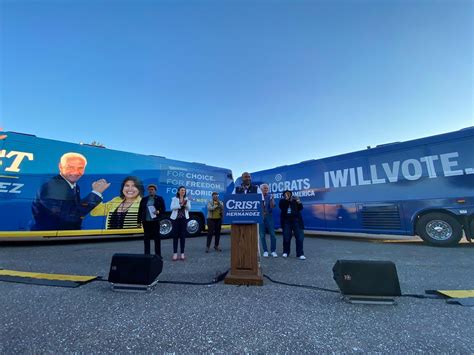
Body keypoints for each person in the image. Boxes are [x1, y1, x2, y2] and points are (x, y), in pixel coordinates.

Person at [31, 152, 110, 231]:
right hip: (50, 238)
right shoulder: (54, 186)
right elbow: (71, 216)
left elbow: (76, 208)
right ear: (60, 167)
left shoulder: (74, 186)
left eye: (80, 168)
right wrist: (96, 193)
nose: (75, 172)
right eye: (70, 167)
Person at [137, 184, 166, 256]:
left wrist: (158, 212)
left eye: (152, 189)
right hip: (146, 221)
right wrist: (138, 221)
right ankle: (147, 254)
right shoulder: (144, 199)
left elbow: (163, 209)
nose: (150, 191)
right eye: (149, 190)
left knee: (157, 239)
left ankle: (158, 255)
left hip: (155, 221)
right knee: (146, 239)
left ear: (155, 190)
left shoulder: (159, 198)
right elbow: (140, 210)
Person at [279, 190, 306, 260]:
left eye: (288, 194)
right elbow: (281, 207)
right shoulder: (282, 201)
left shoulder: (295, 200)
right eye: (286, 194)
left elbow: (301, 208)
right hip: (286, 221)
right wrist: (287, 200)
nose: (287, 195)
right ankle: (286, 252)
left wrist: (298, 201)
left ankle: (300, 254)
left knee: (299, 237)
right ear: (283, 195)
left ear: (291, 194)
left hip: (296, 221)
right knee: (286, 237)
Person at [170, 186, 191, 261]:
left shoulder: (187, 199)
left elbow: (189, 208)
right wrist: (180, 205)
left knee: (183, 236)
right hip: (175, 219)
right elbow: (172, 207)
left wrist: (186, 205)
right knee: (175, 236)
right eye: (182, 190)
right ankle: (175, 254)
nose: (183, 191)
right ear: (178, 191)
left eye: (184, 190)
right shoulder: (174, 199)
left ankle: (182, 254)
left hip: (184, 219)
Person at [259, 184, 277, 257]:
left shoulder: (270, 196)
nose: (266, 189)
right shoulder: (258, 196)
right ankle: (265, 251)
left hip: (269, 216)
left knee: (272, 234)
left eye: (267, 188)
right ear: (261, 189)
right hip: (260, 217)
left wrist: (272, 199)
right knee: (262, 235)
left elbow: (272, 206)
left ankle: (273, 251)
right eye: (264, 188)